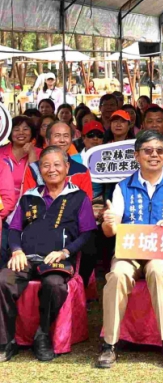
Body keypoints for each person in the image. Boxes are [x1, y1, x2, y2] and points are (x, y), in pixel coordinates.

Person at [96, 130, 163, 368]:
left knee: (159, 270)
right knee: (117, 275)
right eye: (148, 151)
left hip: (162, 251)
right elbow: (111, 231)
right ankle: (109, 344)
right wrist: (109, 223)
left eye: (160, 151)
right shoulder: (122, 187)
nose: (154, 155)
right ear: (136, 155)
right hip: (129, 252)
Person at [0, 146, 96, 362]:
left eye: (57, 164)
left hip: (57, 260)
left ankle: (42, 335)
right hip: (26, 258)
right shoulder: (29, 197)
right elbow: (14, 229)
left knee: (54, 284)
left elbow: (87, 232)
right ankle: (7, 341)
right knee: (3, 280)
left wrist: (65, 251)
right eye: (45, 165)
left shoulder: (78, 197)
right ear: (39, 169)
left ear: (67, 167)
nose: (51, 169)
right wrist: (16, 251)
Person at [0, 117, 40, 205]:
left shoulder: (41, 154)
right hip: (3, 207)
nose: (21, 132)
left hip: (29, 206)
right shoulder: (1, 152)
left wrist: (32, 154)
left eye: (25, 129)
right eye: (16, 129)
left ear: (32, 132)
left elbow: (38, 180)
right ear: (9, 132)